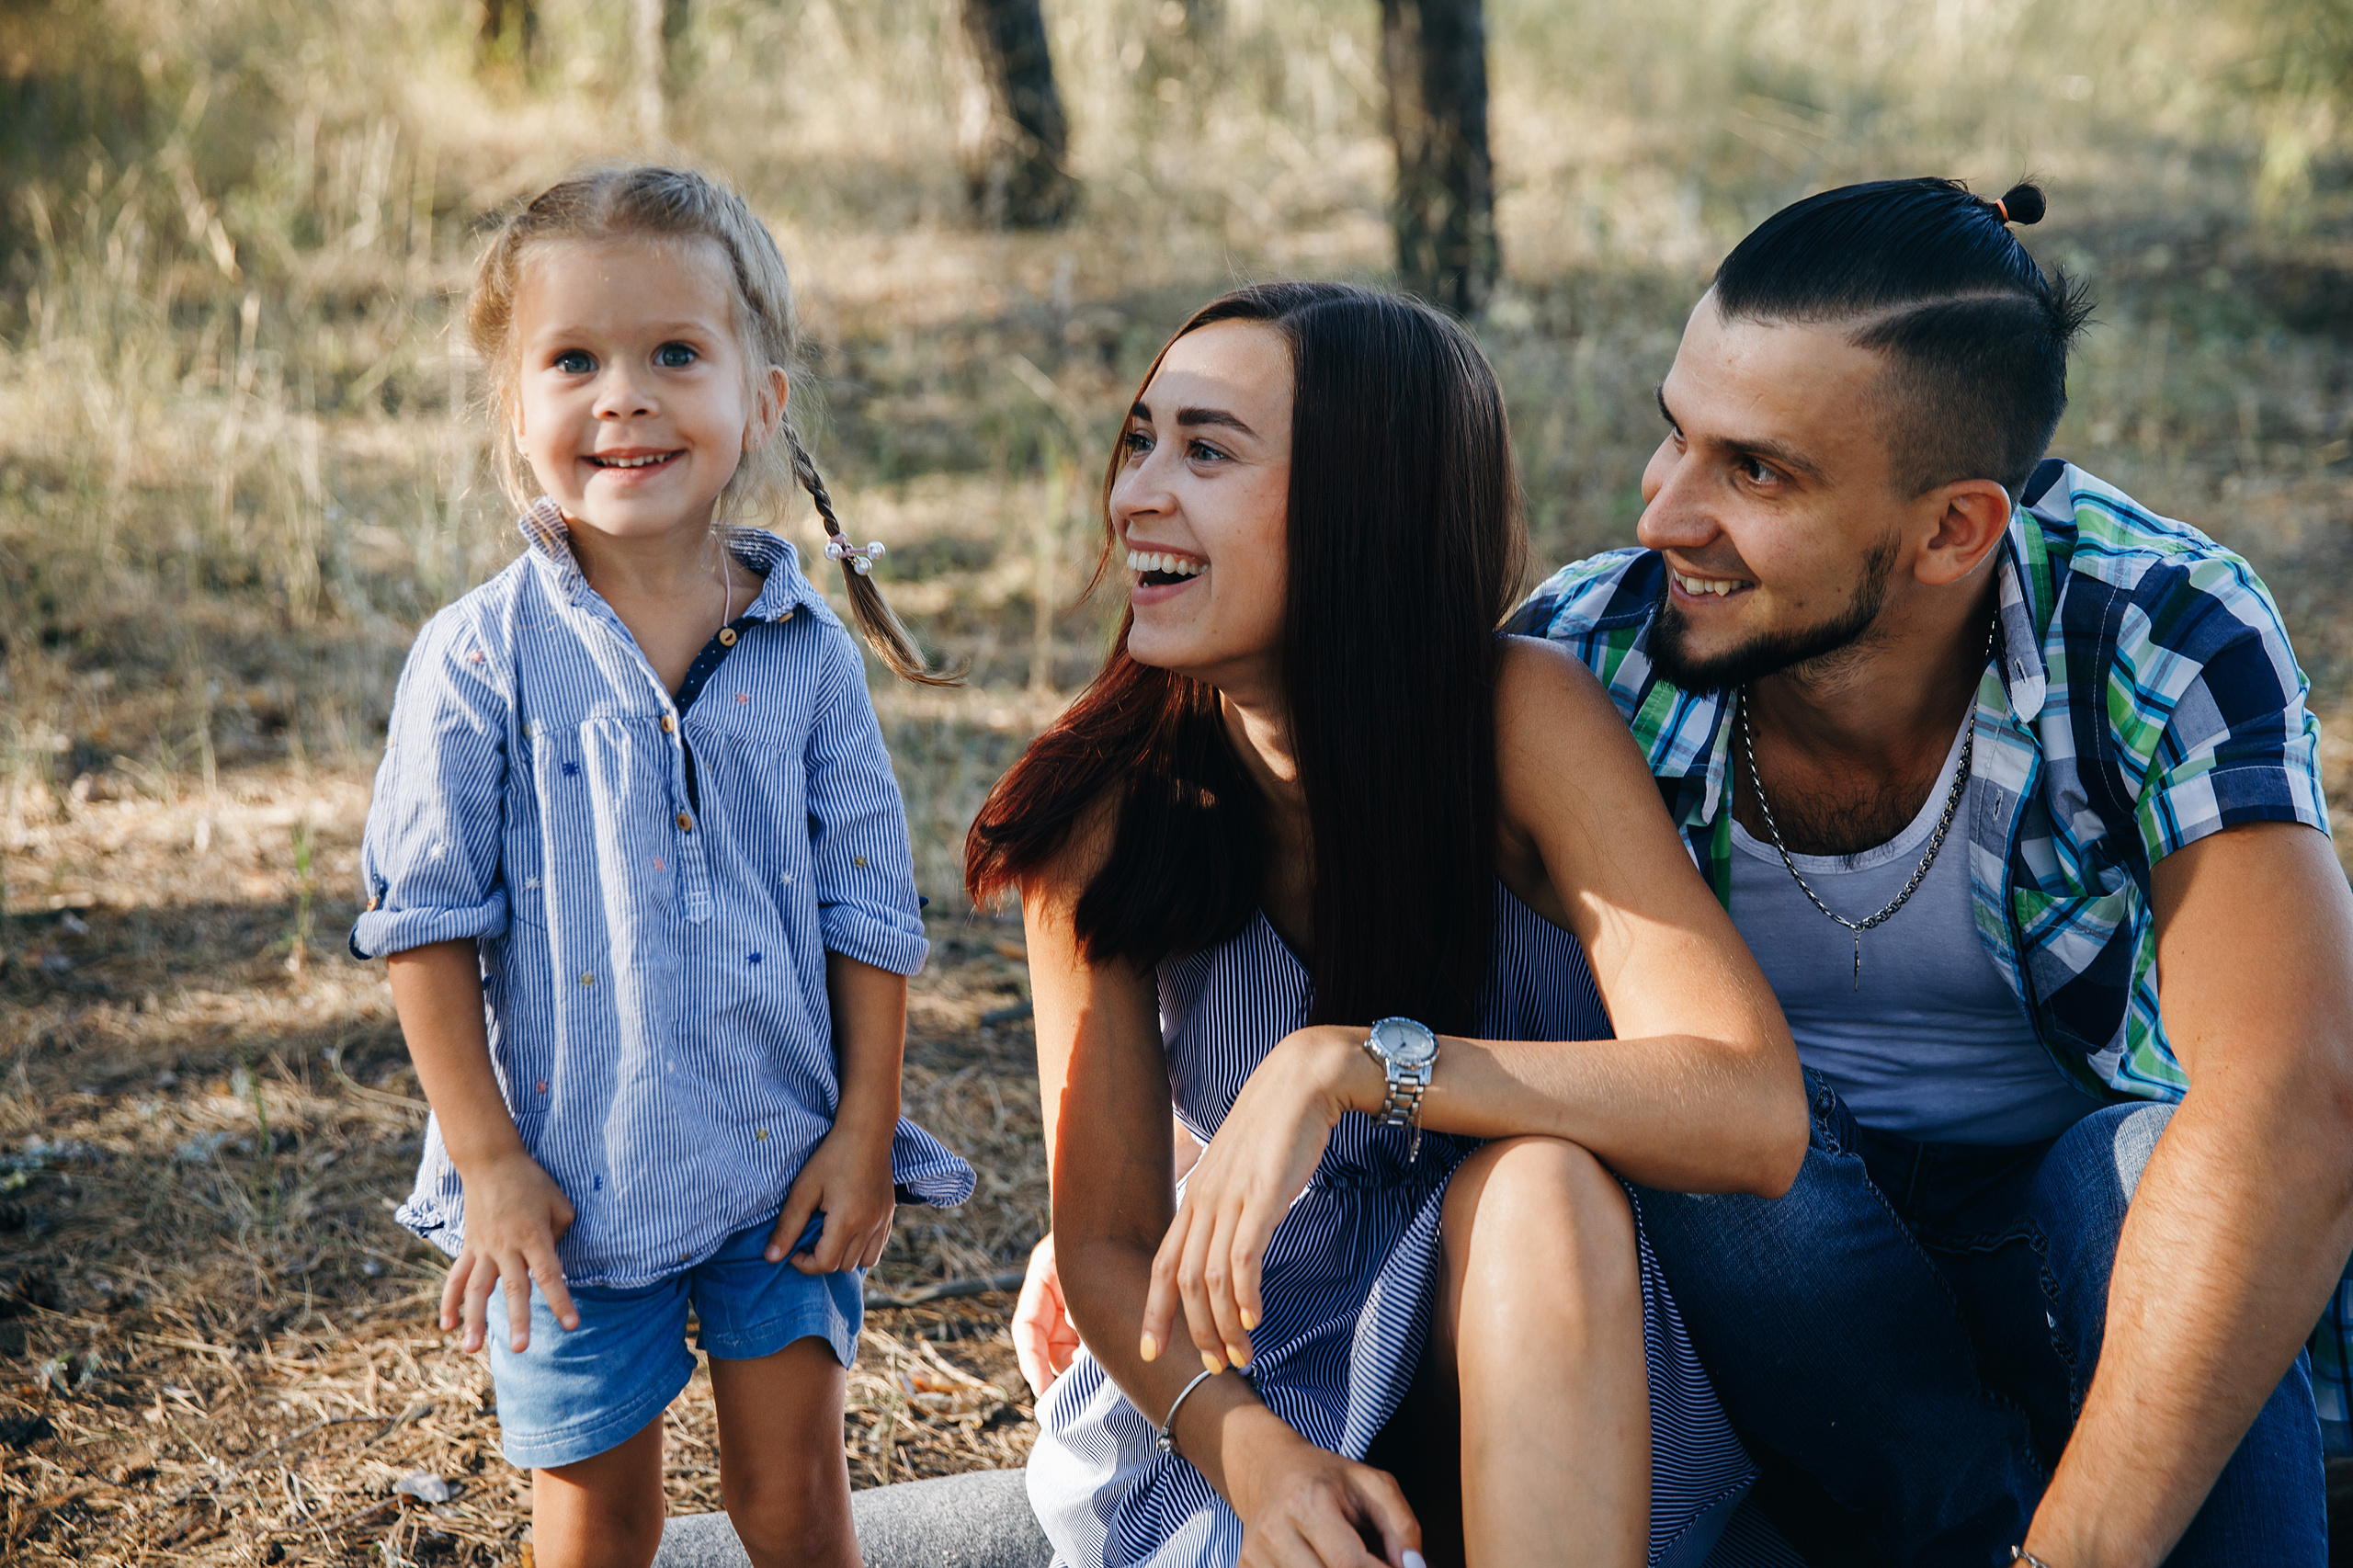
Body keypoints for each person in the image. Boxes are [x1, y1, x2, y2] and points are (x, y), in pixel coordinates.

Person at [1017, 179, 2353, 1567]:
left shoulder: (2152, 629)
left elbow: (2293, 1098)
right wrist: (1174, 1245)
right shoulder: (1600, 649)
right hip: (1775, 1290)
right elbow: (1323, 889)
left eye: (1755, 472)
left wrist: (1359, 1059)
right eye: (1676, 435)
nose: (1661, 513)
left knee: (2144, 1166)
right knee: (1655, 1177)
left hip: (2081, 1247)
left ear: (1955, 530)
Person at [966, 281, 1809, 1568]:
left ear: (1366, 506)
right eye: (1140, 440)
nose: (1138, 492)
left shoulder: (1519, 721)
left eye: (1206, 450)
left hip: (1558, 1342)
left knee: (1539, 1185)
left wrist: (1352, 1062)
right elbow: (1107, 1239)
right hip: (1260, 1389)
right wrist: (1252, 1456)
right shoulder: (1100, 807)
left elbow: (1749, 1105)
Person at [350, 165, 973, 1568]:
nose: (623, 396)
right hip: (562, 1189)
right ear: (516, 412)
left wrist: (866, 1127)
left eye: (674, 354)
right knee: (596, 1526)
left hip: (781, 1167)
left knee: (798, 1502)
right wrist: (489, 1159)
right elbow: (426, 926)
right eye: (573, 361)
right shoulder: (478, 659)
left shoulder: (809, 657)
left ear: (764, 401)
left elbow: (869, 910)